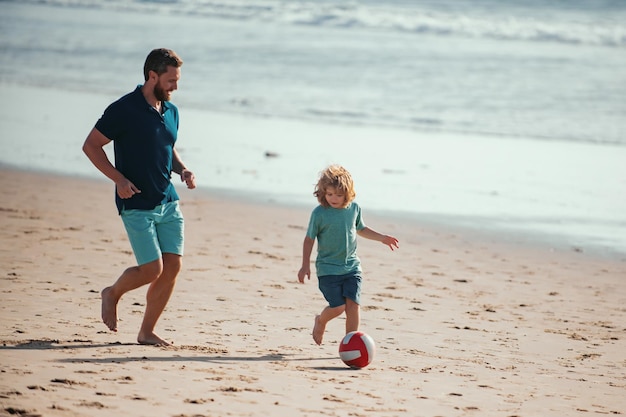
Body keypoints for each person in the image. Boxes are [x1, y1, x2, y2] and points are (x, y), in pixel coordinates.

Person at [82, 48, 196, 346]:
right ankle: (112, 293)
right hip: (136, 202)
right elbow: (92, 146)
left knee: (172, 267)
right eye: (171, 80)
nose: (175, 86)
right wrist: (118, 179)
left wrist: (182, 170)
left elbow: (166, 147)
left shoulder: (171, 111)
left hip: (168, 201)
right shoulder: (124, 109)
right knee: (152, 269)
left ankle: (146, 331)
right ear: (152, 76)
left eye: (178, 80)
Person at [297, 165, 399, 345]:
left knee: (353, 305)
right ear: (323, 192)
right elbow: (308, 240)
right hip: (328, 269)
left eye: (338, 195)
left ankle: (350, 343)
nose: (333, 199)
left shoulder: (354, 209)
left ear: (347, 193)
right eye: (329, 194)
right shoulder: (319, 213)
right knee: (338, 307)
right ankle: (321, 321)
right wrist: (305, 265)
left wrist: (382, 238)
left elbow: (361, 229)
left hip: (352, 268)